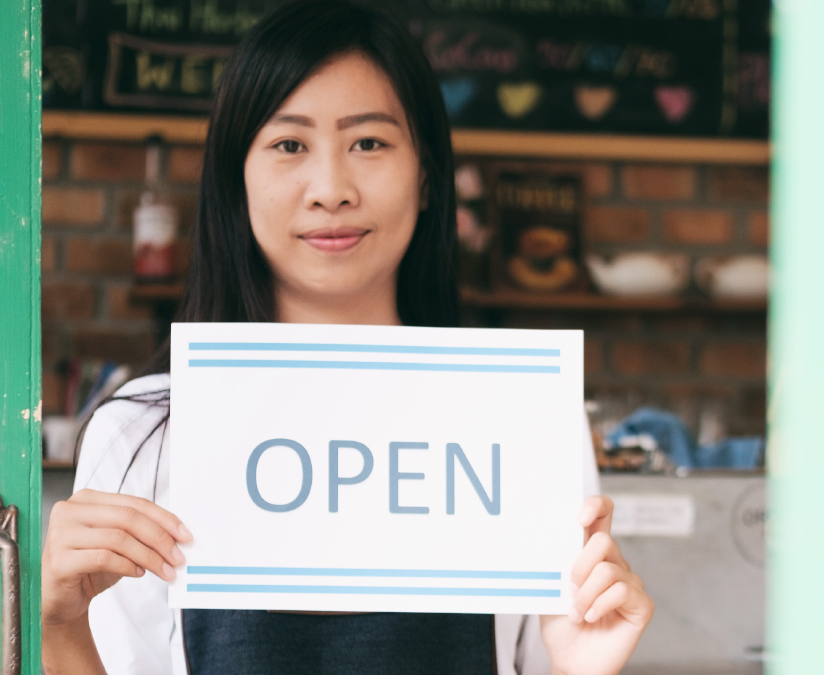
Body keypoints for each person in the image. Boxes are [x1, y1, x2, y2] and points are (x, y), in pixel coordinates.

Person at [40, 1, 654, 673]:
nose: (330, 189)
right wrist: (59, 627)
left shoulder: (524, 423)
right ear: (235, 179)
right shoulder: (141, 437)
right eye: (289, 144)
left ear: (425, 176)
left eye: (369, 142)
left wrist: (581, 671)